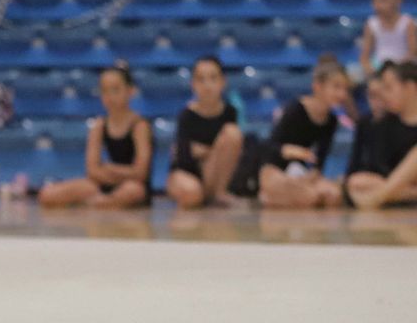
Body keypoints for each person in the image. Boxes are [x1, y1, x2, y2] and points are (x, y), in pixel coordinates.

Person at [37, 65, 153, 208]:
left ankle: (102, 203)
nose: (110, 96)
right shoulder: (99, 125)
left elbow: (141, 172)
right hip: (104, 183)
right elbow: (92, 170)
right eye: (105, 91)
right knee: (48, 194)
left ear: (130, 91)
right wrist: (111, 175)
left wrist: (112, 169)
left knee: (133, 190)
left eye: (115, 90)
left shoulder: (139, 125)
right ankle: (106, 203)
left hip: (132, 185)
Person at [257, 55, 349, 209]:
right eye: (336, 87)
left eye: (345, 88)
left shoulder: (331, 121)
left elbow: (319, 162)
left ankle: (280, 199)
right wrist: (288, 150)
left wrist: (311, 177)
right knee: (309, 197)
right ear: (318, 87)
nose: (342, 94)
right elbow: (268, 149)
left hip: (302, 175)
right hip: (276, 171)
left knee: (333, 195)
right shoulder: (296, 110)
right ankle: (273, 197)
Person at [166, 56, 244, 209]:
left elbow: (232, 147)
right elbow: (183, 157)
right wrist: (216, 150)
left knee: (232, 133)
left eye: (213, 78)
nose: (207, 85)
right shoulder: (187, 115)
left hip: (211, 173)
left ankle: (219, 193)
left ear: (223, 82)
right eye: (201, 79)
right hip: (185, 173)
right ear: (193, 84)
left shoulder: (230, 112)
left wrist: (204, 151)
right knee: (191, 194)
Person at [347, 61, 417, 209]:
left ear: (410, 88)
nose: (384, 95)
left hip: (387, 188)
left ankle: (380, 197)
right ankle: (406, 195)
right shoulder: (383, 124)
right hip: (391, 184)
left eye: (389, 88)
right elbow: (378, 167)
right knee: (357, 181)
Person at [360, 0, 415, 75]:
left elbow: (412, 53)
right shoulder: (371, 24)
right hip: (378, 69)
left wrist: (397, 71)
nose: (377, 5)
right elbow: (364, 57)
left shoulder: (407, 23)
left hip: (403, 70)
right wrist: (370, 69)